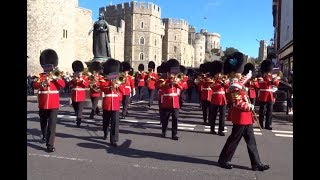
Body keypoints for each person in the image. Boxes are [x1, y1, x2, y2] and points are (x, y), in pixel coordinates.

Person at [218, 52, 270, 171]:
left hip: (246, 118)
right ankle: (223, 160)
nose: (240, 73)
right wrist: (250, 106)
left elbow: (241, 82)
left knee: (251, 141)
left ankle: (256, 163)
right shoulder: (233, 86)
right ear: (232, 73)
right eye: (238, 71)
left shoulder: (237, 83)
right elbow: (237, 103)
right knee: (234, 140)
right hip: (241, 116)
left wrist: (248, 75)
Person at [33, 49, 65, 152]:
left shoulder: (57, 74)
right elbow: (35, 85)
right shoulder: (40, 76)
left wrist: (55, 78)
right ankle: (44, 135)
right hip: (42, 104)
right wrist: (43, 83)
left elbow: (63, 85)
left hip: (53, 104)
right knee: (43, 123)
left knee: (52, 124)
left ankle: (50, 145)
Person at [155, 59, 183, 140]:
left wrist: (176, 83)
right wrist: (168, 83)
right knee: (165, 119)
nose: (172, 74)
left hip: (175, 103)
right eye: (171, 73)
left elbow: (181, 88)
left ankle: (174, 134)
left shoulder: (177, 80)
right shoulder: (164, 80)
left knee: (175, 119)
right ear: (168, 72)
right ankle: (164, 131)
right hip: (166, 103)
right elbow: (157, 85)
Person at [100, 59, 124, 147]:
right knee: (105, 122)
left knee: (115, 123)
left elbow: (123, 91)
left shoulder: (119, 80)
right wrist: (111, 86)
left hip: (116, 104)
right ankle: (105, 132)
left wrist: (118, 85)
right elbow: (103, 88)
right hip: (107, 104)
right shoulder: (104, 81)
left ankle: (113, 139)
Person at [257, 60, 279, 130]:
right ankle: (260, 124)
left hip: (270, 95)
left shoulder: (271, 76)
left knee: (269, 111)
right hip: (263, 95)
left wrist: (274, 80)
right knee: (262, 111)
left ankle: (268, 124)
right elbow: (259, 85)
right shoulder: (261, 76)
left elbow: (276, 84)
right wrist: (268, 81)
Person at [209, 60, 228, 136]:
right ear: (215, 74)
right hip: (215, 100)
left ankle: (221, 130)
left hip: (223, 100)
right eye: (218, 74)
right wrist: (219, 83)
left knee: (222, 116)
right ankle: (212, 129)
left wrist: (224, 82)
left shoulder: (223, 80)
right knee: (213, 115)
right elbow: (212, 87)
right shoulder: (212, 81)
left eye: (220, 73)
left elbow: (227, 87)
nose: (220, 75)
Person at [69, 60, 89, 127]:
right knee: (75, 108)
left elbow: (86, 85)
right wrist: (73, 79)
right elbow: (69, 84)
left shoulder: (84, 77)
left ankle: (79, 120)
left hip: (81, 96)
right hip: (74, 96)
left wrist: (81, 79)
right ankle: (78, 117)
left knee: (80, 109)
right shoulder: (73, 77)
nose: (78, 72)